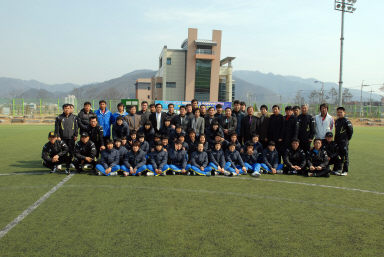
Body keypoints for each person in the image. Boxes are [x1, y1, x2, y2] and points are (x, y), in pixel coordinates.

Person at [55, 103, 78, 174]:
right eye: (65, 108)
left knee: (71, 151)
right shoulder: (59, 117)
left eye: (68, 108)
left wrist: (76, 135)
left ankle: (70, 162)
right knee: (62, 151)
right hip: (62, 138)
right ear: (63, 109)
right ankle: (60, 163)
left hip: (71, 138)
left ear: (70, 109)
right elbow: (57, 128)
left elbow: (76, 127)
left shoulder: (74, 117)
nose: (67, 109)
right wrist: (58, 136)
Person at [334, 106, 353, 176]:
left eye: (341, 112)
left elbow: (350, 132)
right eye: (338, 112)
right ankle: (338, 169)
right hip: (337, 142)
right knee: (338, 156)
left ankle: (345, 171)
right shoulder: (337, 121)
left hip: (344, 142)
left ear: (344, 113)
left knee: (345, 156)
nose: (339, 114)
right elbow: (336, 132)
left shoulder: (347, 121)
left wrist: (346, 140)